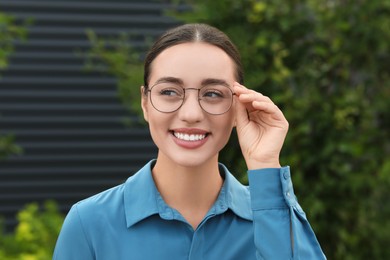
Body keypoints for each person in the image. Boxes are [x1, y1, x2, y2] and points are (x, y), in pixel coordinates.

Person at [53, 23, 326, 259]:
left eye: (213, 94)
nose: (191, 114)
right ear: (145, 102)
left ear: (237, 107)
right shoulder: (89, 224)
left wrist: (265, 163)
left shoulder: (272, 218)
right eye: (169, 91)